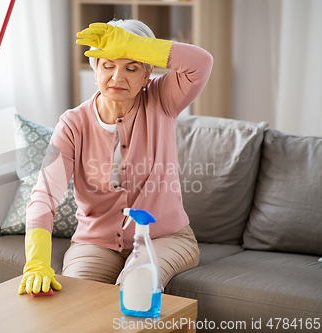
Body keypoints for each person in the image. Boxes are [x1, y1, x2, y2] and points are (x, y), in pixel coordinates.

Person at [18, 19, 213, 295]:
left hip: (164, 239)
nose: (117, 78)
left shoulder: (162, 100)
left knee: (135, 287)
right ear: (95, 70)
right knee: (74, 302)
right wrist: (36, 261)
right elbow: (44, 195)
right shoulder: (73, 124)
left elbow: (201, 63)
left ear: (147, 75)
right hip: (95, 243)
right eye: (108, 65)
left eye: (131, 67)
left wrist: (136, 46)